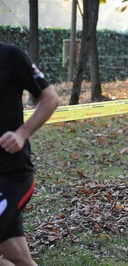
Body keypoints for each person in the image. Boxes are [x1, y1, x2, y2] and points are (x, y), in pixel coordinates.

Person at [0, 42, 59, 265]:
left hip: (10, 175)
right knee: (18, 258)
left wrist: (22, 133)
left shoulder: (10, 56)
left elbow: (51, 98)